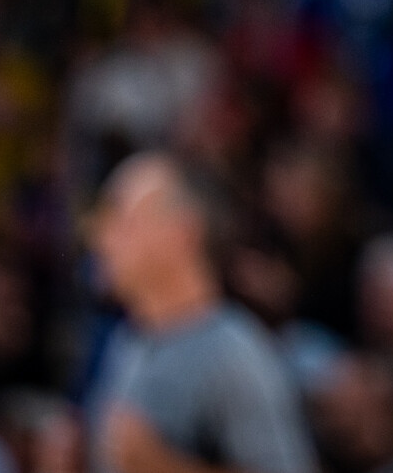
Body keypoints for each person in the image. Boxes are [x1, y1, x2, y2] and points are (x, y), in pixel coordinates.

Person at [87, 152, 315, 473]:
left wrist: (163, 466)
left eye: (122, 218)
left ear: (183, 231)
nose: (102, 236)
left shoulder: (233, 356)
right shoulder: (127, 341)